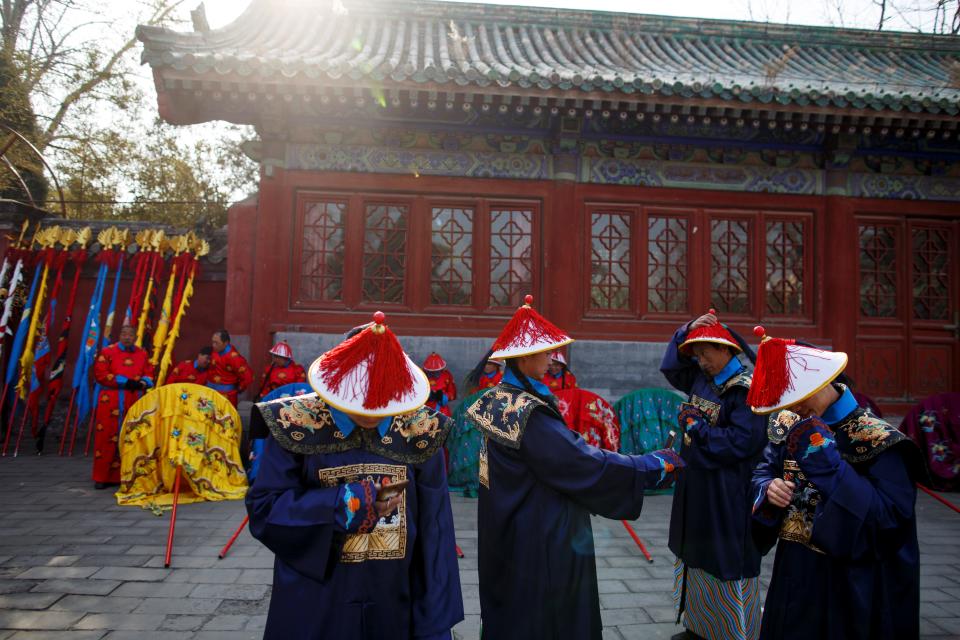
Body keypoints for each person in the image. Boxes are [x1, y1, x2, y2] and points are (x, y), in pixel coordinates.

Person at [466, 295, 684, 640]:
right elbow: (579, 462)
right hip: (540, 533)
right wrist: (648, 465)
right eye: (546, 352)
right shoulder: (528, 413)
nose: (553, 359)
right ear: (524, 358)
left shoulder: (497, 399)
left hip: (507, 525)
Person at [246, 311, 464, 639]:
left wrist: (434, 623)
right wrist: (345, 504)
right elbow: (264, 509)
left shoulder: (422, 432)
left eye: (383, 402)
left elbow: (435, 535)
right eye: (358, 401)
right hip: (316, 603)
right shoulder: (295, 425)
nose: (370, 413)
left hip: (395, 604)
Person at [748, 326, 924, 640]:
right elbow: (762, 473)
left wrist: (831, 468)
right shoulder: (789, 423)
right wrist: (768, 489)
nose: (794, 408)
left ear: (824, 379)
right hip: (793, 571)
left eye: (800, 397)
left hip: (850, 582)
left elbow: (889, 522)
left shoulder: (880, 440)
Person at [660, 309, 767, 640]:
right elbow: (672, 367)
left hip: (727, 493)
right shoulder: (702, 378)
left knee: (723, 557)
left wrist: (696, 428)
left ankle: (732, 630)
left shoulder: (746, 390)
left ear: (726, 351)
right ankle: (699, 625)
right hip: (698, 486)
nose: (700, 360)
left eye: (706, 353)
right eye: (697, 354)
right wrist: (687, 330)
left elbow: (743, 442)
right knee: (694, 551)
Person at [91, 324, 154, 489]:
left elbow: (149, 373)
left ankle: (129, 475)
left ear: (135, 337)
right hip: (111, 400)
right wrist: (125, 382)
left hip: (134, 399)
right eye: (124, 334)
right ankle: (102, 477)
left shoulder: (142, 353)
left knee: (133, 436)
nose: (127, 337)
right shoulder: (107, 352)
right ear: (119, 335)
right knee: (107, 436)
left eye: (130, 335)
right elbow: (101, 374)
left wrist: (143, 382)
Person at [207, 329, 252, 406]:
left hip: (226, 396)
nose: (213, 345)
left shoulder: (234, 358)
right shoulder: (215, 351)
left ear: (226, 343)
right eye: (213, 342)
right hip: (210, 393)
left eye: (216, 343)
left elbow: (248, 376)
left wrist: (238, 389)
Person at [423, 352, 457, 417]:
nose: (433, 374)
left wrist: (444, 397)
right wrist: (425, 395)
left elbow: (453, 394)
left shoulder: (446, 375)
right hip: (425, 410)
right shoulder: (421, 375)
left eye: (436, 372)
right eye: (430, 373)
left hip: (442, 409)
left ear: (441, 370)